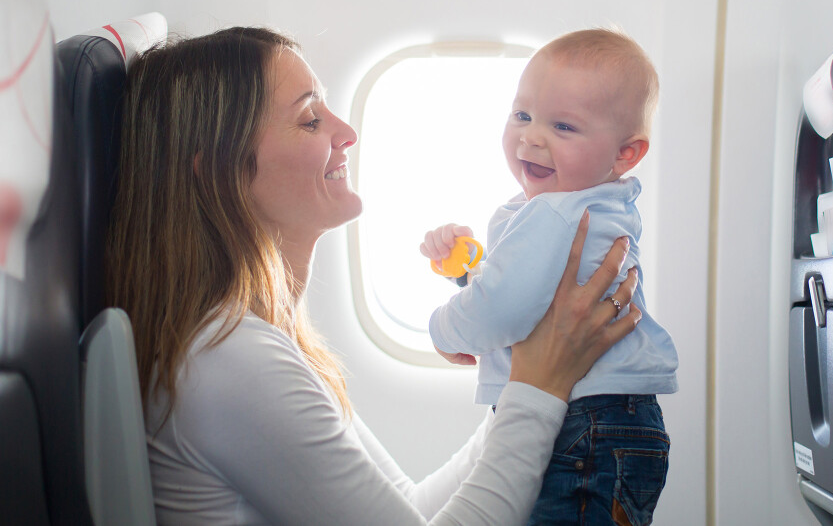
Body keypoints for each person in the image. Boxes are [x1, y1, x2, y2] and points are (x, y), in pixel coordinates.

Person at [106, 26, 642, 525]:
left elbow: (410, 507)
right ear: (219, 168)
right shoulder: (229, 359)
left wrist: (534, 374)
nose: (346, 131)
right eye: (310, 119)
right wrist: (538, 384)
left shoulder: (265, 340)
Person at [420, 28, 678, 525]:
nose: (531, 136)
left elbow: (503, 308)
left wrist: (443, 329)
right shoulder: (591, 205)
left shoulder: (555, 214)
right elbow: (531, 294)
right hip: (612, 423)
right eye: (522, 115)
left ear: (626, 153)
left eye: (563, 126)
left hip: (582, 425)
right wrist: (467, 270)